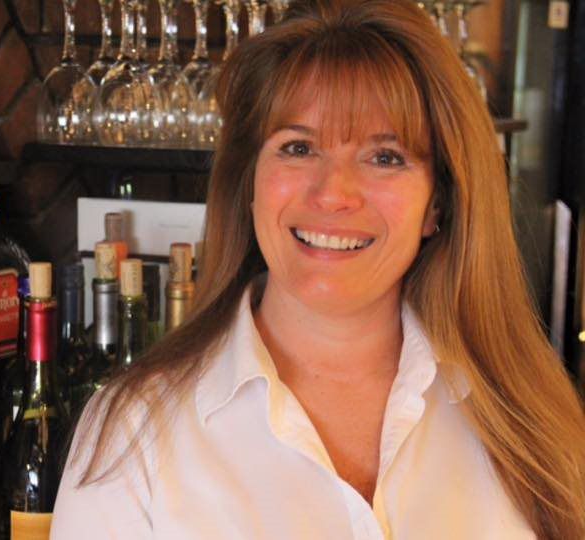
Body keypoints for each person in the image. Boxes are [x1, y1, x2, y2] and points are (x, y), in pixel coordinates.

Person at [50, 0, 585, 538]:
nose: (333, 194)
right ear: (249, 185)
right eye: (299, 147)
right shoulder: (133, 432)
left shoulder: (528, 421)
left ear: (438, 205)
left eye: (385, 157)